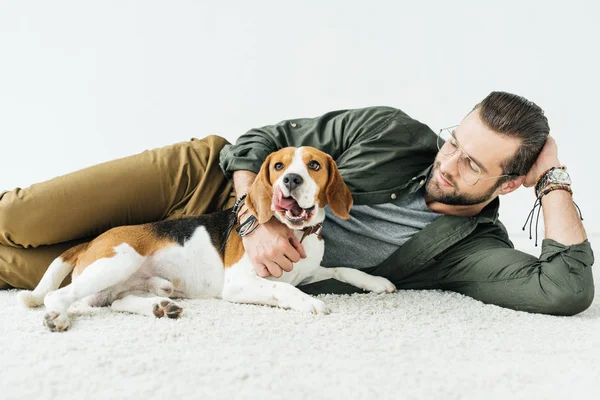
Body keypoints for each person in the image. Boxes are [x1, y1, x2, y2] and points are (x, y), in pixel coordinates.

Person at [0, 91, 593, 316]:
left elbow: (567, 289)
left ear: (510, 184)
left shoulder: (472, 250)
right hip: (201, 181)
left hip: (202, 267)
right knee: (18, 220)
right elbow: (258, 141)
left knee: (21, 267)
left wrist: (555, 179)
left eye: (471, 164)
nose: (447, 160)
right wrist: (253, 218)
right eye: (454, 140)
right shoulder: (391, 129)